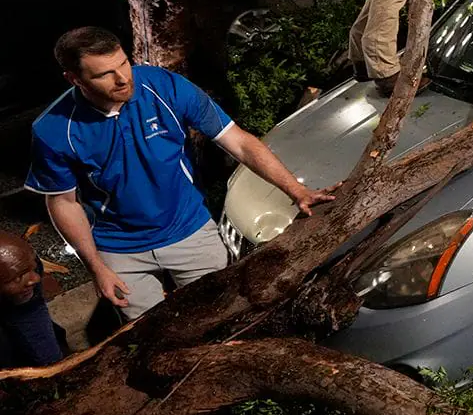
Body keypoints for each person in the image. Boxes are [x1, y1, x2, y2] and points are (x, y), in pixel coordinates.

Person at [24, 27, 337, 321]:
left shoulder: (164, 86)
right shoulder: (53, 130)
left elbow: (239, 142)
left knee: (217, 317)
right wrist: (96, 268)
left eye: (124, 63)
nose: (122, 78)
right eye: (105, 73)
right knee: (152, 333)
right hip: (118, 247)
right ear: (73, 78)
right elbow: (63, 203)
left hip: (189, 228)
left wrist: (296, 190)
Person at [0, 230, 63, 370]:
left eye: (32, 269)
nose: (36, 279)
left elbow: (32, 318)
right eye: (18, 277)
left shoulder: (23, 261)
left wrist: (54, 366)